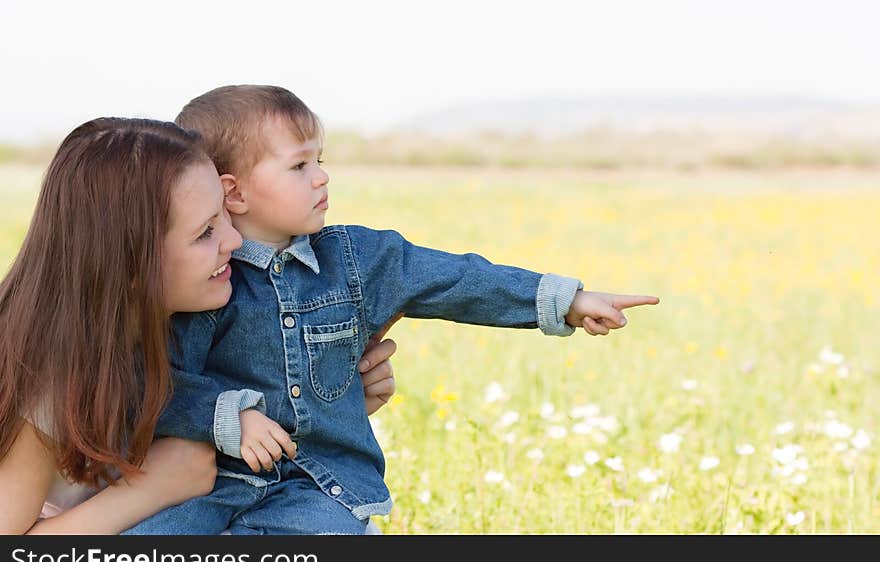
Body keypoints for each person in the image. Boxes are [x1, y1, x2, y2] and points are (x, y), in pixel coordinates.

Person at [123, 85, 661, 535]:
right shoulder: (205, 280)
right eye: (298, 165)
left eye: (320, 160)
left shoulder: (358, 258)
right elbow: (158, 380)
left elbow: (454, 278)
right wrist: (227, 413)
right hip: (210, 483)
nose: (321, 177)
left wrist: (565, 301)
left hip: (321, 486)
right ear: (233, 192)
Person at [0, 117, 400, 534]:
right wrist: (153, 487)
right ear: (130, 266)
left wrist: (332, 399)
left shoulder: (195, 324)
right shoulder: (43, 376)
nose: (235, 241)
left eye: (225, 216)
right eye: (205, 232)